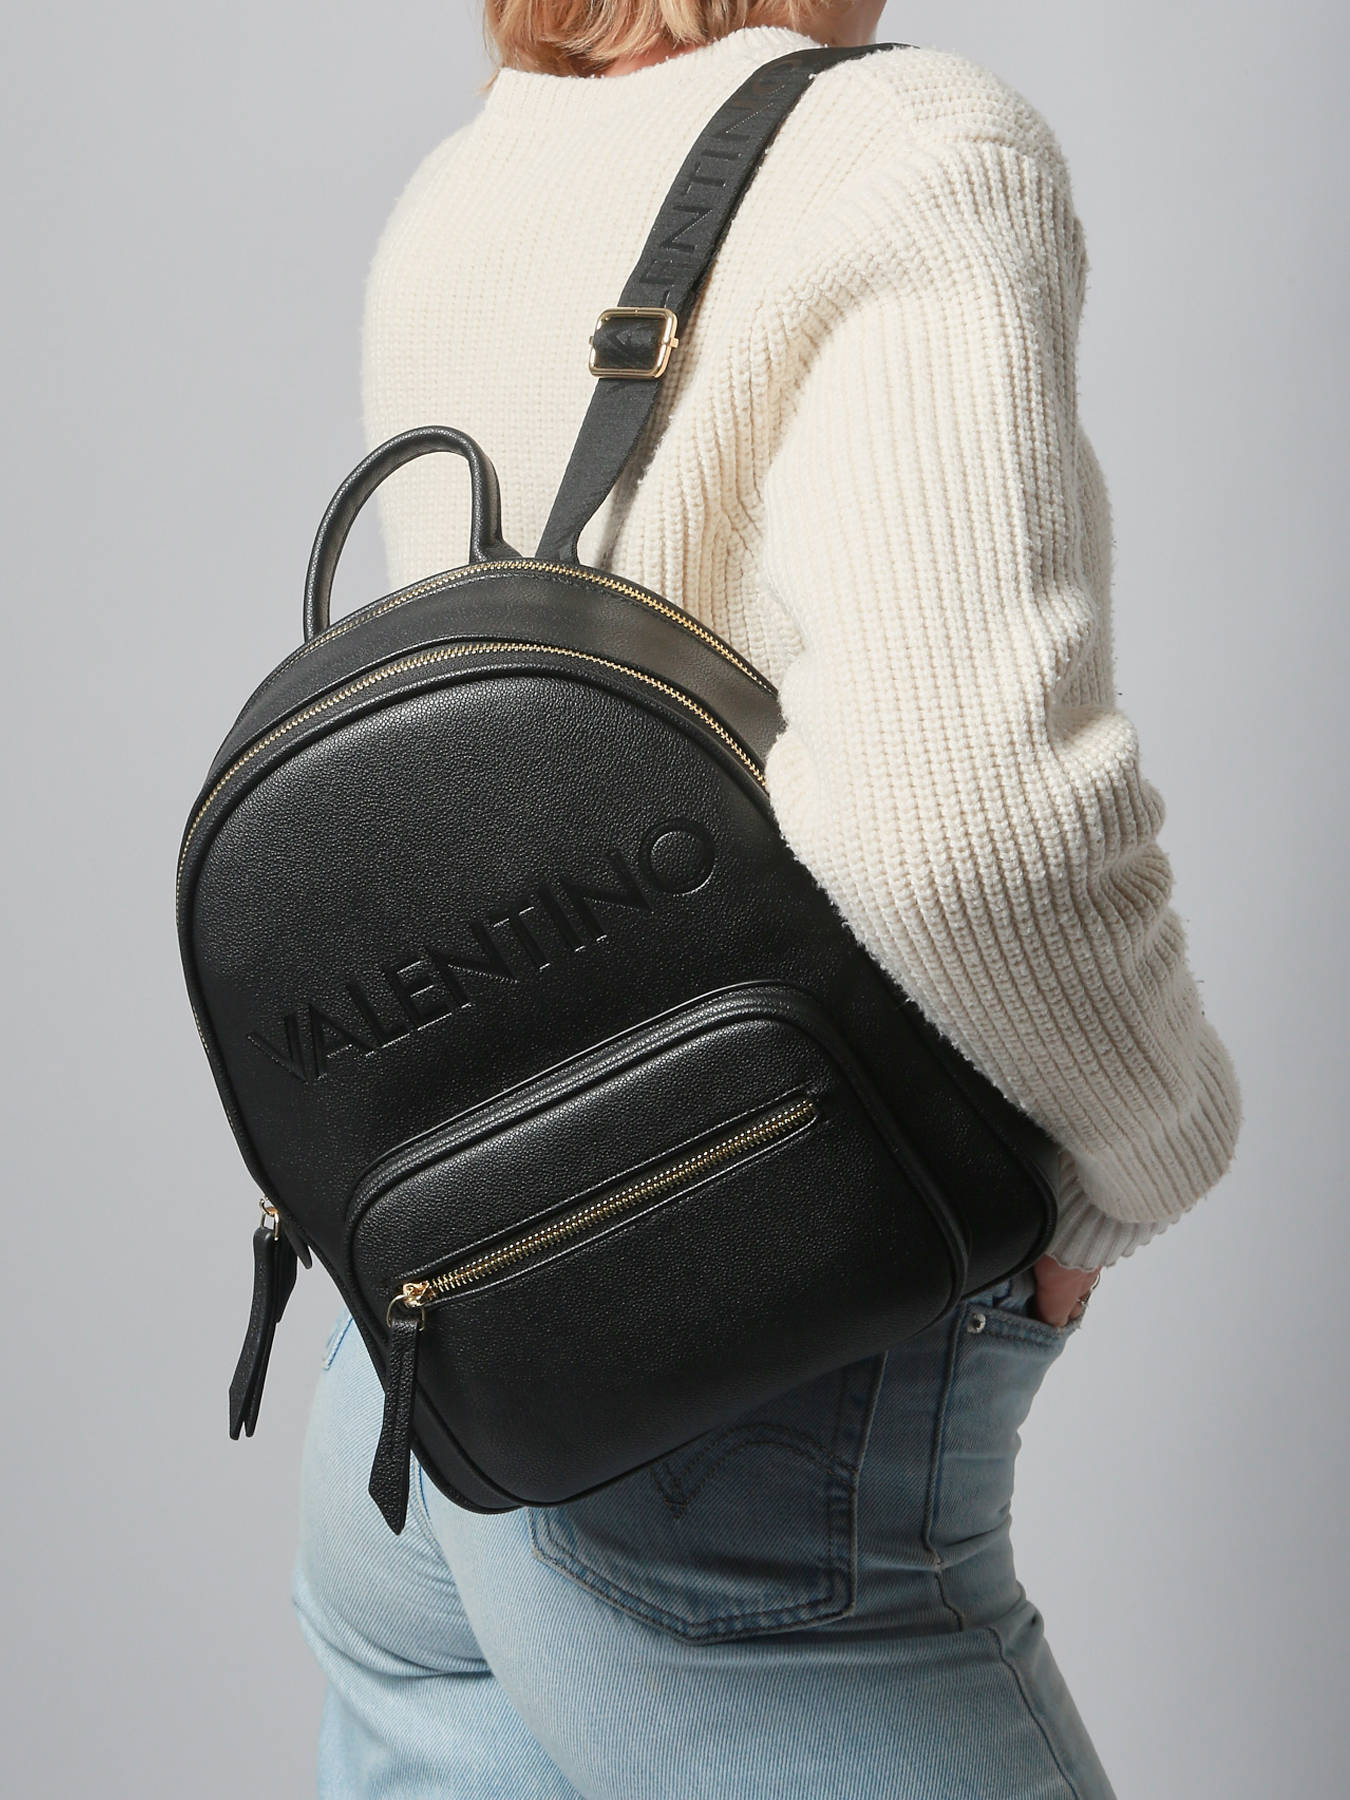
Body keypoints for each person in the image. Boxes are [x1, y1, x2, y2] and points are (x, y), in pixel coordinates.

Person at [292, 5, 1243, 1793]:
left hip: (424, 1376)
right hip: (736, 1395)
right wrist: (1140, 1158)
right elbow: (968, 828)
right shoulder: (904, 151)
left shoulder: (473, 175)